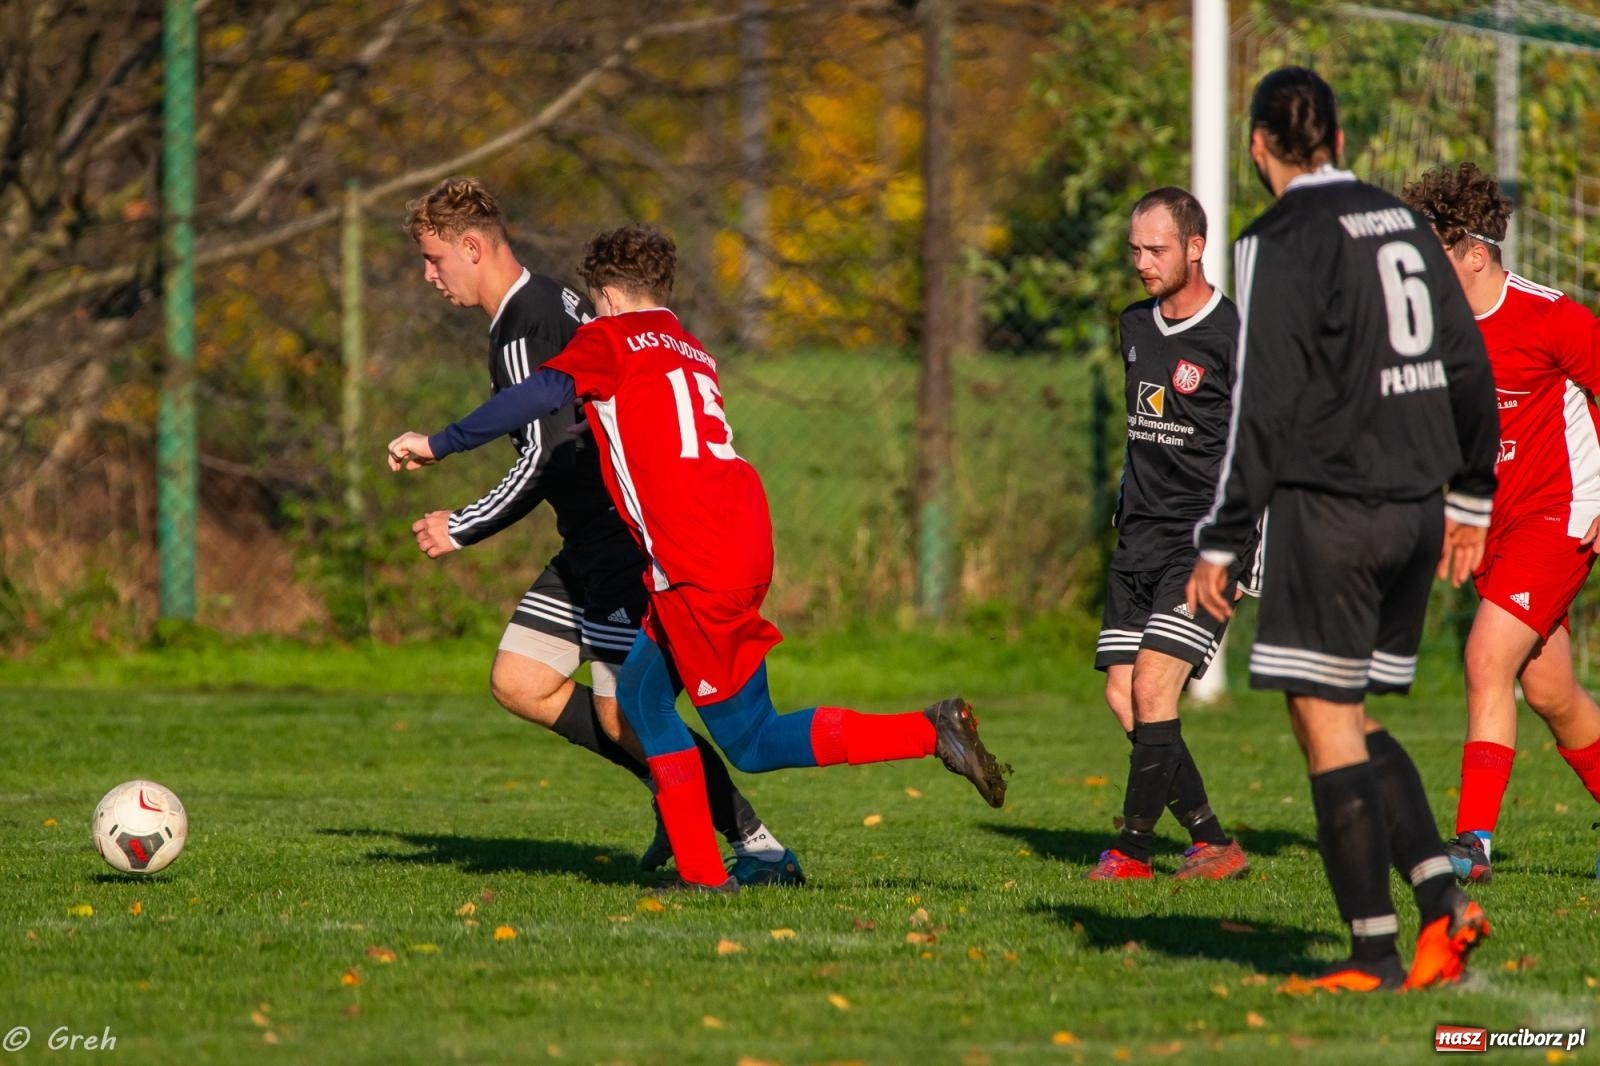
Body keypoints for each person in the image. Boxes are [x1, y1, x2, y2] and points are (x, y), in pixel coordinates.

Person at [387, 223, 1009, 891]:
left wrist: (440, 442)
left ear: (607, 296)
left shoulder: (609, 338)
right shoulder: (687, 346)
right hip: (744, 538)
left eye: (594, 304)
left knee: (748, 740)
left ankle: (912, 740)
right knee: (652, 701)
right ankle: (711, 864)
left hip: (695, 559)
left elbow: (538, 394)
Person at [1187, 67, 1499, 992]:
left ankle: (1372, 956)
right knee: (1346, 713)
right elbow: (1465, 358)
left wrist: (1223, 534)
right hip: (1415, 507)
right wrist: (1473, 496)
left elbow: (1265, 401)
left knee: (1323, 724)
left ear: (1257, 147)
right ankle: (1445, 904)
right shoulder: (1397, 218)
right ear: (1339, 140)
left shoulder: (1278, 239)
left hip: (1335, 508)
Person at [398, 179, 801, 886]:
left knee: (630, 718)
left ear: (471, 247)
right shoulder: (556, 297)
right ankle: (673, 796)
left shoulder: (523, 335)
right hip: (589, 543)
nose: (428, 275)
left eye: (434, 259)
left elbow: (546, 457)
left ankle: (755, 841)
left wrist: (460, 524)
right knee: (521, 681)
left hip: (618, 544)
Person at [1399, 162, 1600, 883]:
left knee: (1487, 659)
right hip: (1495, 527)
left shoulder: (1550, 319)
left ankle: (1471, 844)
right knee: (1550, 693)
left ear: (1474, 255)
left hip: (1559, 514)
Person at [1090, 187, 1255, 881]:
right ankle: (1213, 842)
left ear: (1195, 246)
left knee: (1155, 690)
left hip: (1205, 543)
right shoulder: (1132, 325)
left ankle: (1130, 850)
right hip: (1140, 539)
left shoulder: (1236, 337)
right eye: (1135, 250)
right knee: (1122, 695)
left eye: (1156, 249)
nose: (1142, 262)